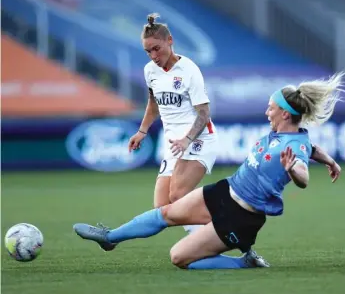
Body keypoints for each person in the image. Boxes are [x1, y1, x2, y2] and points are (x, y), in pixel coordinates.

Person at [74, 73, 343, 269]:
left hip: (241, 217)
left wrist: (294, 171)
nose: (266, 112)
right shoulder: (290, 136)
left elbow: (303, 177)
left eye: (271, 108)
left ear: (285, 114)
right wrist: (330, 160)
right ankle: (109, 238)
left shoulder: (293, 148)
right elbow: (312, 147)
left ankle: (243, 263)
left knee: (179, 258)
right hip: (225, 191)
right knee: (166, 211)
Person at [127, 13, 218, 234]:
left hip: (198, 140)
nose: (153, 56)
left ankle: (224, 231)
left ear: (170, 40)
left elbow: (204, 113)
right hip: (173, 145)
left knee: (178, 196)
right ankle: (207, 237)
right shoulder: (150, 71)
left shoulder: (189, 70)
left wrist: (187, 139)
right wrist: (142, 131)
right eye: (148, 51)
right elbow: (153, 103)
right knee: (163, 208)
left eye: (156, 48)